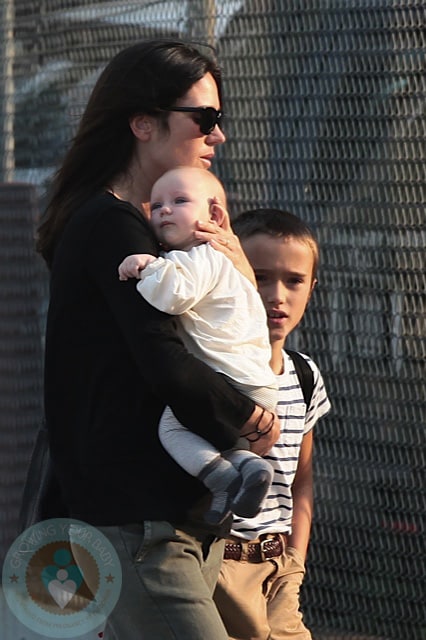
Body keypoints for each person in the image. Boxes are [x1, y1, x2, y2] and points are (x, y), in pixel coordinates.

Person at [35, 40, 280, 640]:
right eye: (205, 119)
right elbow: (164, 358)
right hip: (139, 522)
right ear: (143, 123)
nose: (217, 136)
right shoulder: (112, 225)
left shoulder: (152, 229)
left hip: (178, 520)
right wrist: (247, 416)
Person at [118, 166, 277, 526]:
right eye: (156, 205)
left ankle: (222, 483)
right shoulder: (232, 264)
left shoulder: (200, 257)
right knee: (222, 444)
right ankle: (250, 468)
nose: (164, 211)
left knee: (172, 431)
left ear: (215, 216)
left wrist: (146, 267)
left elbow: (174, 296)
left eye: (179, 201)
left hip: (229, 380)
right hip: (258, 385)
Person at [213, 208, 331, 640]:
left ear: (311, 288)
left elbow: (301, 479)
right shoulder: (208, 371)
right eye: (260, 277)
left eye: (293, 280)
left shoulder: (305, 375)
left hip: (279, 571)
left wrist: (295, 563)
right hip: (216, 566)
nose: (276, 295)